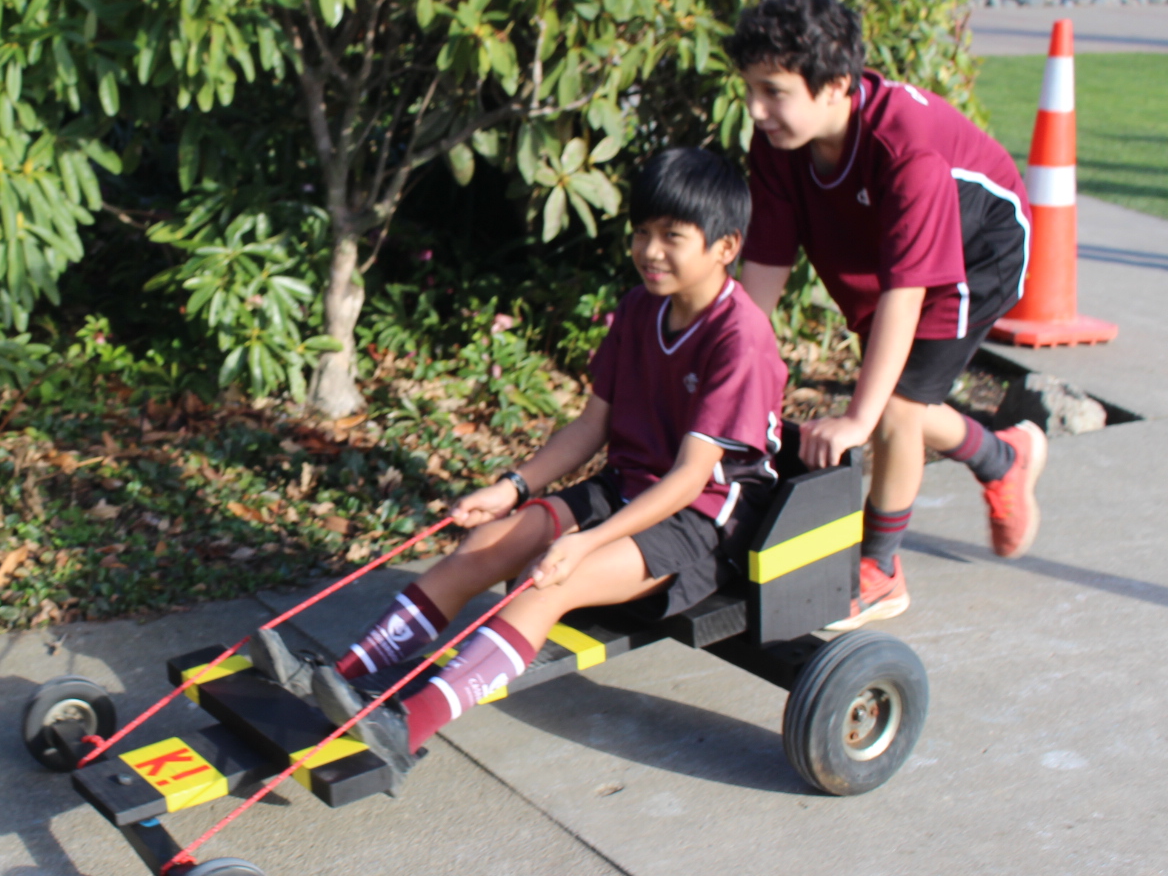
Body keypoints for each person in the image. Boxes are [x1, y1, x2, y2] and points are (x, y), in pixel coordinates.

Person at [251, 148, 788, 783]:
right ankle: (338, 677)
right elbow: (592, 425)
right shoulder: (641, 307)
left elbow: (690, 480)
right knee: (486, 543)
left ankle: (406, 730)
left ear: (726, 247)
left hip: (698, 523)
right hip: (626, 486)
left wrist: (582, 544)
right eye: (642, 232)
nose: (650, 250)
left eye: (673, 236)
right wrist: (511, 489)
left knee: (547, 580)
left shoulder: (740, 337)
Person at [726, 0, 1045, 632]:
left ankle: (881, 570)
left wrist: (857, 419)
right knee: (903, 403)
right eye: (750, 89)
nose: (757, 109)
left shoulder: (908, 150)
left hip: (978, 253)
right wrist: (730, 369)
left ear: (836, 84)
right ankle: (1001, 458)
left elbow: (907, 297)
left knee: (895, 408)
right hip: (887, 251)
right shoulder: (781, 144)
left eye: (774, 91)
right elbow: (764, 264)